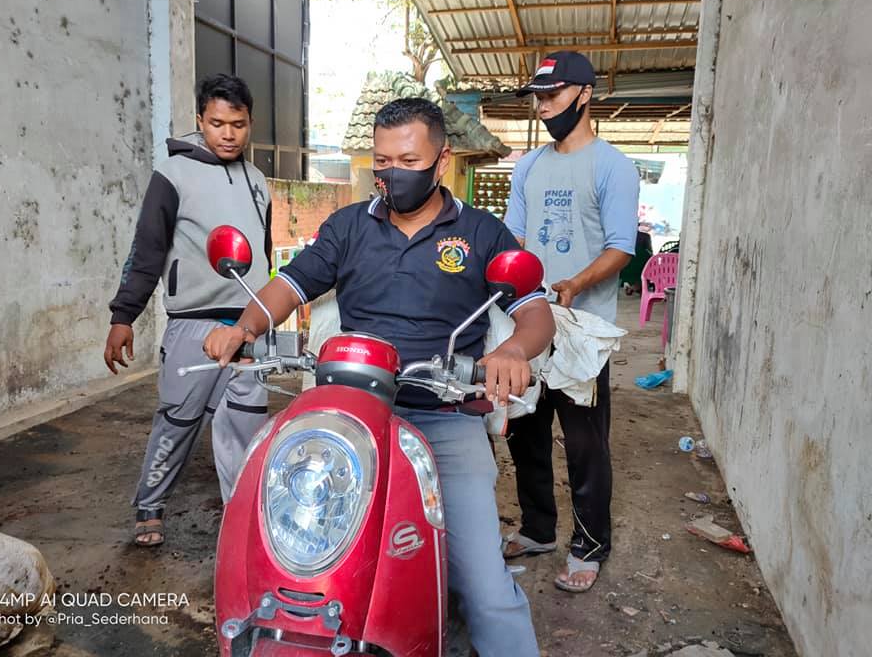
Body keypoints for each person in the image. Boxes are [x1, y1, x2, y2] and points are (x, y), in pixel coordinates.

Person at [203, 98, 554, 656]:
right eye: (382, 161)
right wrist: (243, 326)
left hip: (444, 414)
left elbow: (535, 312)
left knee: (484, 588)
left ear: (441, 161)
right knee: (291, 540)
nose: (392, 174)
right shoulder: (349, 226)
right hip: (348, 413)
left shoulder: (482, 233)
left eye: (408, 161)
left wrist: (513, 351)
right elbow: (290, 285)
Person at [103, 74, 273, 547]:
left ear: (250, 123)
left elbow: (264, 252)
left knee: (246, 424)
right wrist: (123, 315)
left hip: (249, 325)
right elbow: (148, 249)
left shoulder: (258, 181)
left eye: (238, 124)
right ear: (200, 120)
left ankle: (244, 519)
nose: (228, 134)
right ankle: (150, 504)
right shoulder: (173, 174)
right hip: (193, 322)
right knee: (178, 419)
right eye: (217, 123)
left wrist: (268, 312)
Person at [502, 52, 640, 593]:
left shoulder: (612, 166)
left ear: (584, 94)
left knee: (584, 442)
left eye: (553, 95)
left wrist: (576, 283)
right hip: (528, 320)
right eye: (538, 97)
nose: (543, 107)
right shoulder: (529, 166)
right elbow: (515, 237)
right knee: (525, 433)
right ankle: (538, 529)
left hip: (583, 328)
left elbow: (621, 247)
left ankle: (589, 545)